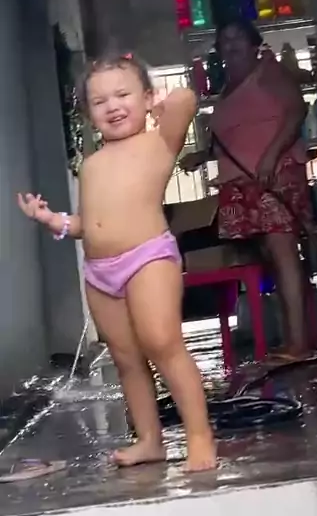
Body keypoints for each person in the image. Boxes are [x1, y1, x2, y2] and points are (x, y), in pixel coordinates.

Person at [17, 53, 216, 472]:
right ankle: (149, 440)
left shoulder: (158, 143)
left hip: (148, 258)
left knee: (163, 343)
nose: (112, 106)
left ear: (146, 98)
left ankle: (199, 438)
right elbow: (88, 223)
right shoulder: (91, 165)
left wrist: (165, 103)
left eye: (123, 95)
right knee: (126, 360)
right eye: (100, 101)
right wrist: (53, 220)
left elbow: (186, 99)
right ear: (88, 114)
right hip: (100, 273)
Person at [181, 19, 312, 360]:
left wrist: (270, 157)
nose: (231, 44)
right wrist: (203, 155)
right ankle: (294, 338)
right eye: (225, 40)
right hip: (243, 181)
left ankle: (299, 343)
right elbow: (236, 135)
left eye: (238, 37)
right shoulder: (228, 87)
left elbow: (297, 110)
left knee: (283, 254)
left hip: (273, 176)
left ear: (255, 44)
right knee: (271, 258)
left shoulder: (268, 71)